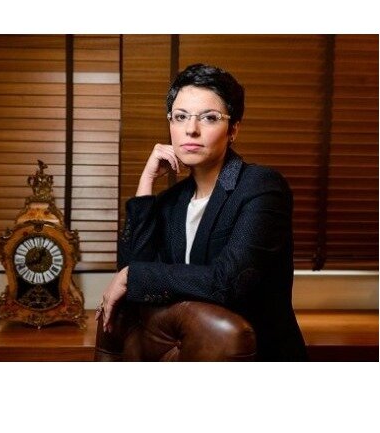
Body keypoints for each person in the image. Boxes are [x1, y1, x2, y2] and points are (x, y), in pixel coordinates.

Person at [97, 63, 308, 361]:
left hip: (257, 358)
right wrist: (146, 182)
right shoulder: (171, 201)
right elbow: (131, 277)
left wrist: (135, 275)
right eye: (180, 116)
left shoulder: (261, 186)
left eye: (209, 118)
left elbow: (228, 283)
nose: (191, 129)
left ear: (233, 129)